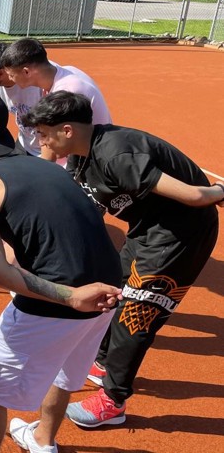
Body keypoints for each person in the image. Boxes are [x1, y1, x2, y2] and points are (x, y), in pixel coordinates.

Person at [0, 91, 123, 453]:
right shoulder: (46, 167)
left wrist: (71, 296)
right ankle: (43, 441)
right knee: (65, 372)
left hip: (68, 300)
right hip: (108, 291)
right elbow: (23, 252)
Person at [19, 91, 223, 429]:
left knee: (135, 315)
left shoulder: (116, 153)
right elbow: (82, 211)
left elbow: (194, 195)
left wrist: (220, 191)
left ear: (66, 130)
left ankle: (114, 402)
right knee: (112, 291)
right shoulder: (79, 158)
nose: (39, 140)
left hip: (181, 234)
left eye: (42, 132)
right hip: (147, 230)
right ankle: (103, 362)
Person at [1, 38, 111, 163]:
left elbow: (54, 149)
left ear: (26, 72)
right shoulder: (63, 73)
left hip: (90, 160)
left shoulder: (66, 92)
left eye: (11, 74)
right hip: (85, 154)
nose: (9, 78)